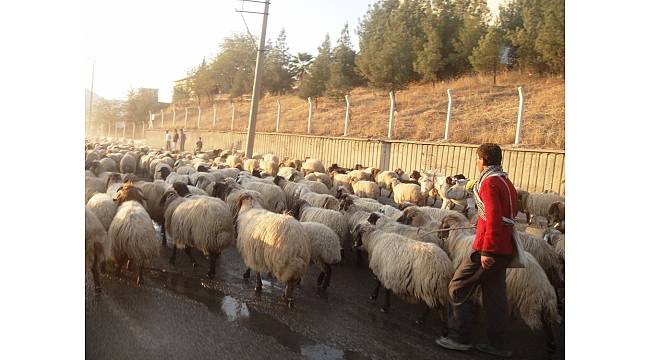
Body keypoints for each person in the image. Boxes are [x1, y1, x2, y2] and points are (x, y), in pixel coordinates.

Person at [435, 143, 517, 358]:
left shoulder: (488, 183)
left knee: (458, 286)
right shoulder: (505, 181)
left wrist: (487, 251)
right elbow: (506, 214)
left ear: (483, 160)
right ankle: (500, 344)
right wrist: (480, 224)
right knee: (495, 297)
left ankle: (459, 337)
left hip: (488, 248)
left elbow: (493, 217)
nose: (476, 162)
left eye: (477, 158)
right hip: (504, 247)